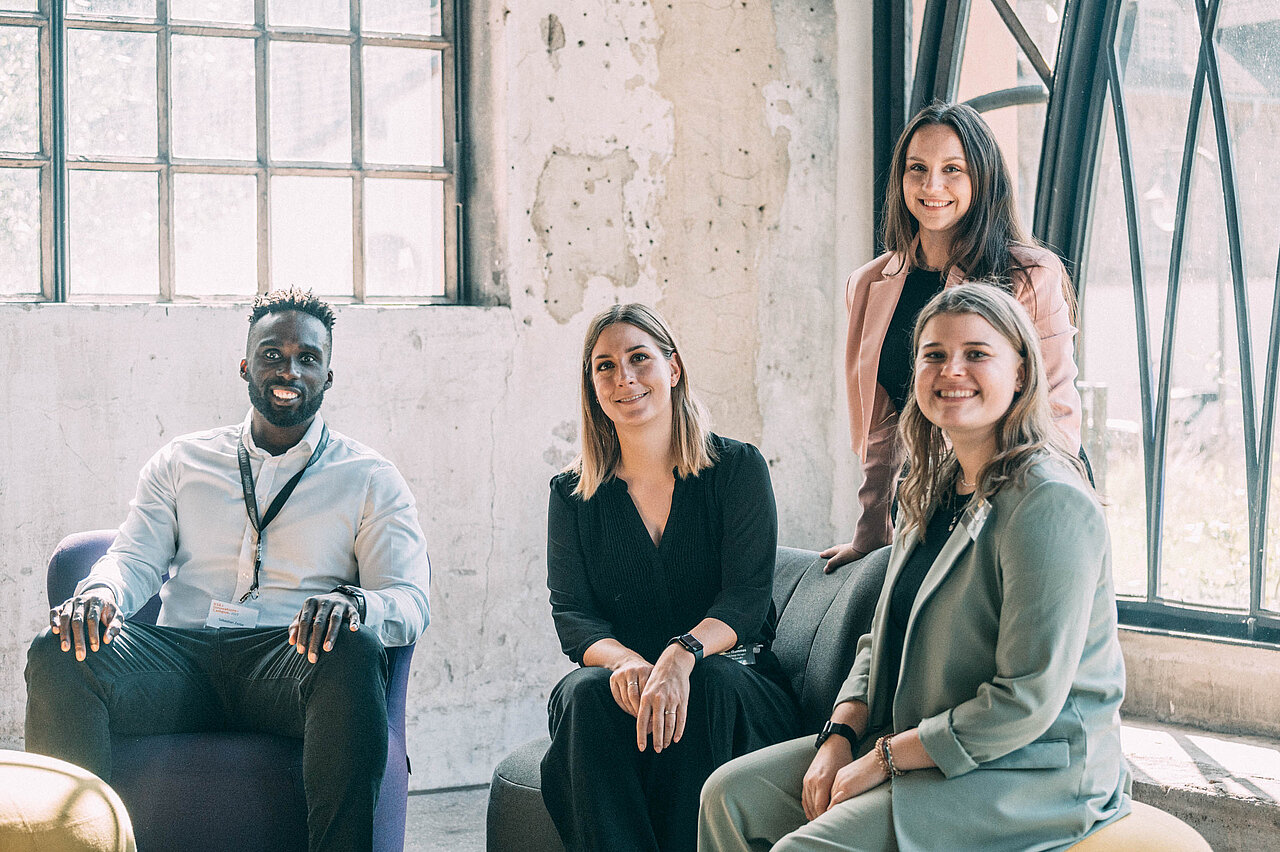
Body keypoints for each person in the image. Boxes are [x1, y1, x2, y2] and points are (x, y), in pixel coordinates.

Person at [699, 283, 1130, 852]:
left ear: (1022, 374)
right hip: (915, 737)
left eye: (977, 353)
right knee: (728, 795)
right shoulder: (933, 486)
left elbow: (1025, 700)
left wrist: (882, 759)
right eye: (934, 354)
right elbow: (879, 638)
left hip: (1029, 769)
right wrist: (840, 734)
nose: (953, 370)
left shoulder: (1048, 502)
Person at [25, 288, 431, 852]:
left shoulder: (370, 478)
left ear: (328, 375)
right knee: (59, 649)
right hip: (182, 661)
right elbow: (133, 557)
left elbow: (410, 602)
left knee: (353, 650)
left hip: (289, 662)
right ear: (246, 365)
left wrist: (355, 605)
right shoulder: (183, 460)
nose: (288, 369)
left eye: (307, 358)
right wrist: (100, 592)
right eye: (272, 354)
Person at [542, 303, 800, 852]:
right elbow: (574, 614)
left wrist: (682, 654)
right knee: (583, 695)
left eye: (639, 358)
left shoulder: (736, 468)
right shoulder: (571, 494)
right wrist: (628, 662)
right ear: (591, 385)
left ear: (673, 368)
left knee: (703, 684)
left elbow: (748, 597)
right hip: (630, 685)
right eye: (604, 366)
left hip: (732, 679)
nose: (624, 378)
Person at [821, 101, 1082, 572]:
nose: (931, 186)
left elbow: (1056, 409)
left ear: (980, 179)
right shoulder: (867, 285)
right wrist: (868, 538)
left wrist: (1041, 514)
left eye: (952, 170)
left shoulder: (1029, 275)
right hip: (923, 506)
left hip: (1015, 498)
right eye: (917, 169)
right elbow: (883, 429)